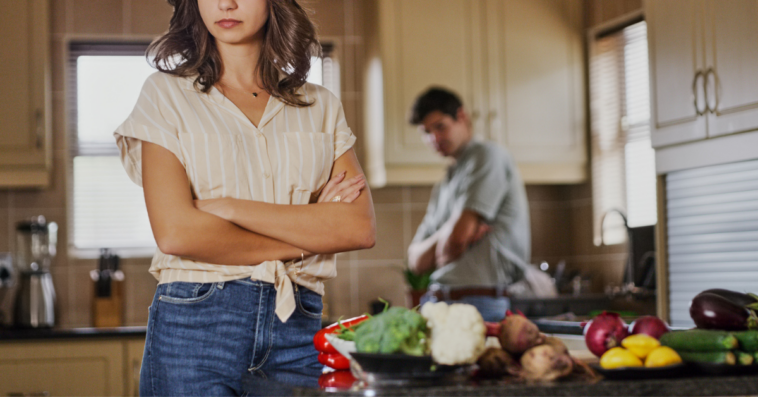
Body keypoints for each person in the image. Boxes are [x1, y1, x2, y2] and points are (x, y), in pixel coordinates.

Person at [113, 0, 376, 395]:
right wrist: (309, 237)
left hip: (298, 325)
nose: (226, 3)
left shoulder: (321, 105)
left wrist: (232, 208)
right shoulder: (164, 95)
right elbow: (177, 234)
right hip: (195, 327)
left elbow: (357, 228)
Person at [406, 87, 532, 322]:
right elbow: (415, 261)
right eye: (426, 132)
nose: (434, 138)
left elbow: (456, 241)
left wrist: (453, 239)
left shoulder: (487, 156)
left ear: (462, 117)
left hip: (480, 304)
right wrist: (449, 233)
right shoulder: (444, 183)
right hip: (438, 303)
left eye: (440, 126)